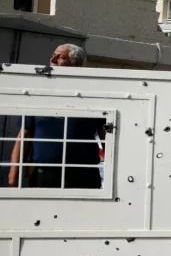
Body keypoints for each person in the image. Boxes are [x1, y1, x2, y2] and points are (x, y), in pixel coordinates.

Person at [8, 44, 105, 189]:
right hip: (44, 176)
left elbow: (107, 136)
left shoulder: (92, 96)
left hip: (83, 177)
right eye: (53, 55)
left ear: (77, 65)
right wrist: (12, 178)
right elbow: (24, 136)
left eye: (60, 57)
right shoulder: (39, 93)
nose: (52, 59)